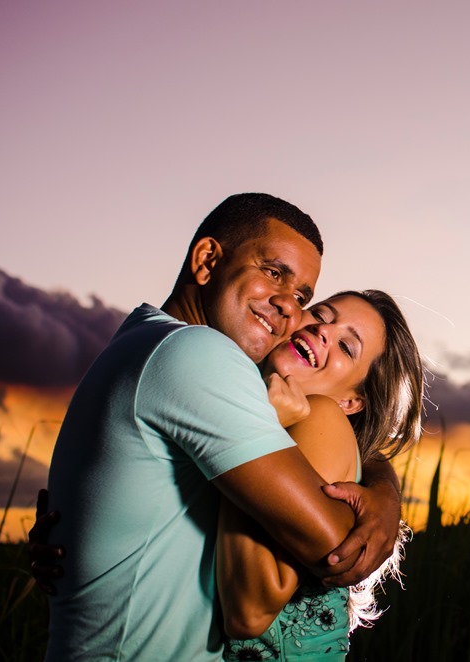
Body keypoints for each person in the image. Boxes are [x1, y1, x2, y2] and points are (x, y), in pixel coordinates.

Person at [42, 193, 404, 661]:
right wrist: (379, 511)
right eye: (274, 272)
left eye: (301, 297)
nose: (292, 311)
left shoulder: (144, 340)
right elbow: (331, 542)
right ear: (208, 259)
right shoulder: (199, 354)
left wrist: (383, 490)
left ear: (354, 398)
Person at [219, 289, 423, 660]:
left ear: (350, 402)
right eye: (322, 314)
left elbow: (248, 612)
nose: (324, 330)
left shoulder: (321, 416)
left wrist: (259, 430)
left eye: (347, 347)